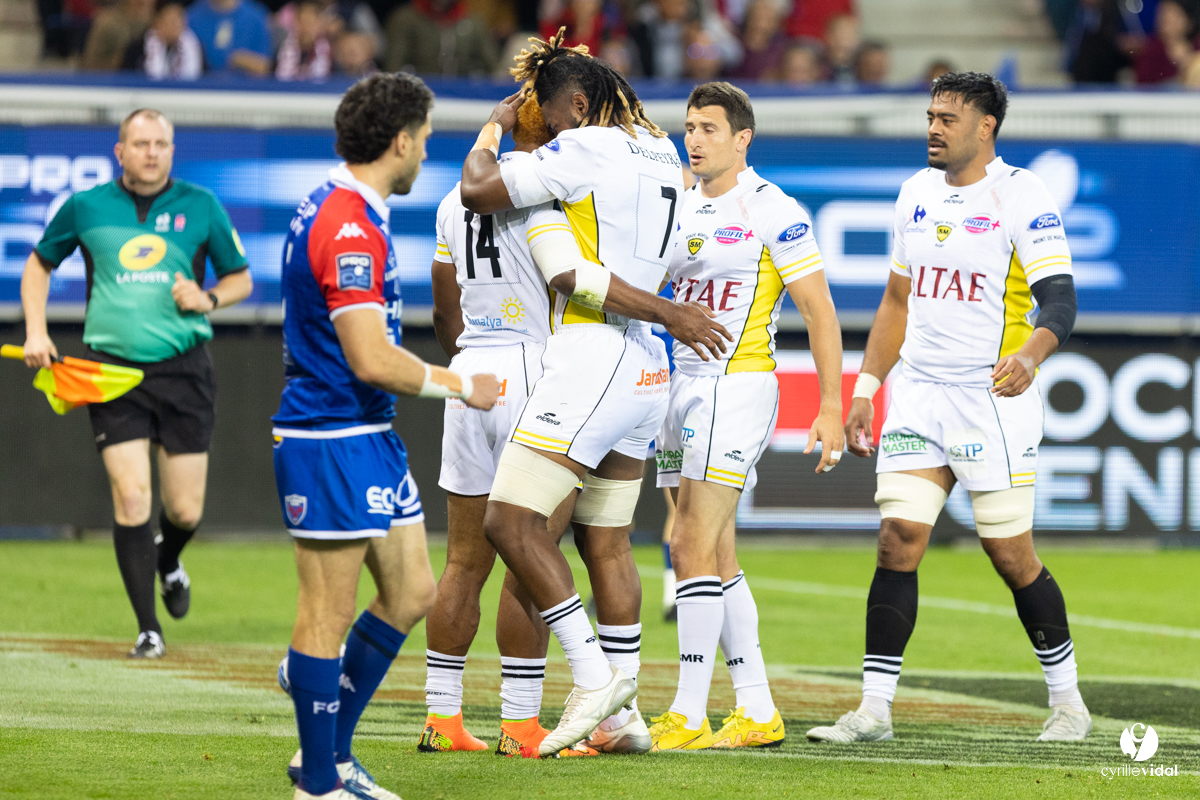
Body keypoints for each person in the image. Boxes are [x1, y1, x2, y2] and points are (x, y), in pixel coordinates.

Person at [459, 29, 733, 756]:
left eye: (548, 118)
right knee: (605, 542)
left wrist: (493, 130)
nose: (542, 133)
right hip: (649, 367)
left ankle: (590, 677)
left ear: (578, 104)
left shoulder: (581, 147)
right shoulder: (663, 155)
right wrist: (666, 312)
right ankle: (623, 718)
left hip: (598, 352)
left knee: (509, 523)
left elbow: (477, 190)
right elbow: (664, 256)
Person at [805, 72, 1089, 745]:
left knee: (1010, 555)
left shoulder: (1023, 195)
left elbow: (1060, 301)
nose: (933, 127)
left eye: (948, 118)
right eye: (930, 116)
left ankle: (1068, 702)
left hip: (991, 398)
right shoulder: (914, 194)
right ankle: (873, 710)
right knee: (897, 540)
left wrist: (1031, 355)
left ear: (986, 125)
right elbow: (896, 302)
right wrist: (868, 389)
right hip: (920, 395)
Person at [271, 73, 500, 800]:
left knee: (412, 591)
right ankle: (321, 780)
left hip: (366, 432)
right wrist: (463, 385)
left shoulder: (347, 208)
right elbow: (369, 357)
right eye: (425, 139)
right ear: (400, 142)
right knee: (327, 613)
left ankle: (326, 756)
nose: (426, 151)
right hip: (329, 435)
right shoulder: (347, 227)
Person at [650, 81, 844, 751]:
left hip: (735, 388)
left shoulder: (771, 209)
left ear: (742, 139)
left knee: (689, 545)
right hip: (682, 390)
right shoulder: (677, 207)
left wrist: (830, 406)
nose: (694, 138)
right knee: (714, 551)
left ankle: (688, 712)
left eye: (708, 127)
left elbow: (820, 311)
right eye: (689, 127)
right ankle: (758, 709)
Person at [21, 108, 254, 659]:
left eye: (161, 144)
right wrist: (36, 330)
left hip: (184, 369)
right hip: (111, 370)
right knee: (131, 497)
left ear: (172, 151)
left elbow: (240, 278)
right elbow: (38, 266)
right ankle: (149, 629)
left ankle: (168, 560)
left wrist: (208, 299)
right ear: (119, 151)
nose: (151, 152)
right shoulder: (85, 206)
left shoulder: (201, 205)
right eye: (140, 143)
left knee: (185, 511)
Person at [421, 92, 600, 758]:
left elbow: (443, 312)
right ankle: (522, 725)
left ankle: (443, 719)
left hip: (472, 376)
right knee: (530, 558)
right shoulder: (552, 195)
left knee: (464, 562)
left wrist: (471, 366)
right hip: (535, 371)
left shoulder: (449, 202)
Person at [384, 0, 496, 76]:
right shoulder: (405, 20)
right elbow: (394, 67)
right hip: (419, 95)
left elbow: (492, 67)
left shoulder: (472, 22)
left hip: (463, 97)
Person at [123, 0, 205, 80]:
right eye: (169, 22)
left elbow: (205, 77)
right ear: (157, 22)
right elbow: (126, 76)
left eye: (177, 22)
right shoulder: (139, 48)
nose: (173, 27)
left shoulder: (195, 46)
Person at [187, 0, 273, 76]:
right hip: (202, 90)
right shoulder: (191, 17)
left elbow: (266, 68)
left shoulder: (256, 17)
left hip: (245, 90)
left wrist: (242, 60)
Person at [1134, 0, 1199, 84]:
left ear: (1190, 21)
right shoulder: (1151, 50)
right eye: (1163, 13)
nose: (1167, 19)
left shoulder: (1197, 46)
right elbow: (1142, 86)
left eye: (1175, 15)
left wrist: (1188, 61)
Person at [82, 0, 154, 70]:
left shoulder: (155, 21)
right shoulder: (107, 22)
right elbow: (90, 62)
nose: (143, 1)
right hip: (107, 76)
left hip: (143, 77)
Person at [275, 0, 332, 81]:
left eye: (309, 22)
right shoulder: (286, 41)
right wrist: (300, 45)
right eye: (302, 21)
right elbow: (284, 77)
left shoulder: (323, 45)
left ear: (318, 23)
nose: (306, 27)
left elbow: (320, 77)